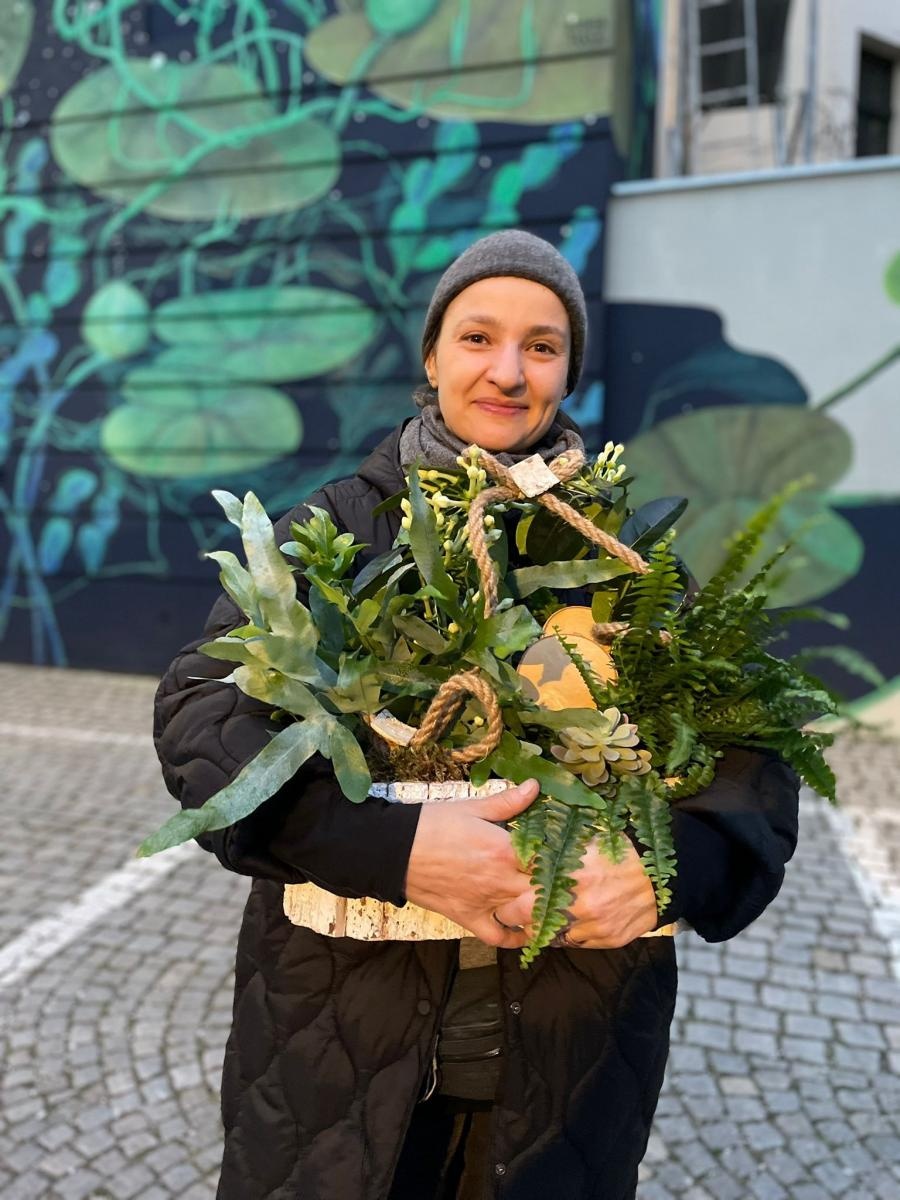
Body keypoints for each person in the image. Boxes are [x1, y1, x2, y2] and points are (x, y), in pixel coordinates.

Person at [153, 230, 800, 1200]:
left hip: (566, 1075)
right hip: (339, 1055)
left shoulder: (625, 554)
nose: (508, 371)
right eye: (477, 337)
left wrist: (668, 872)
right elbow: (202, 717)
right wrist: (395, 849)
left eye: (542, 346)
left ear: (569, 371)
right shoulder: (336, 529)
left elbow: (754, 752)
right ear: (431, 357)